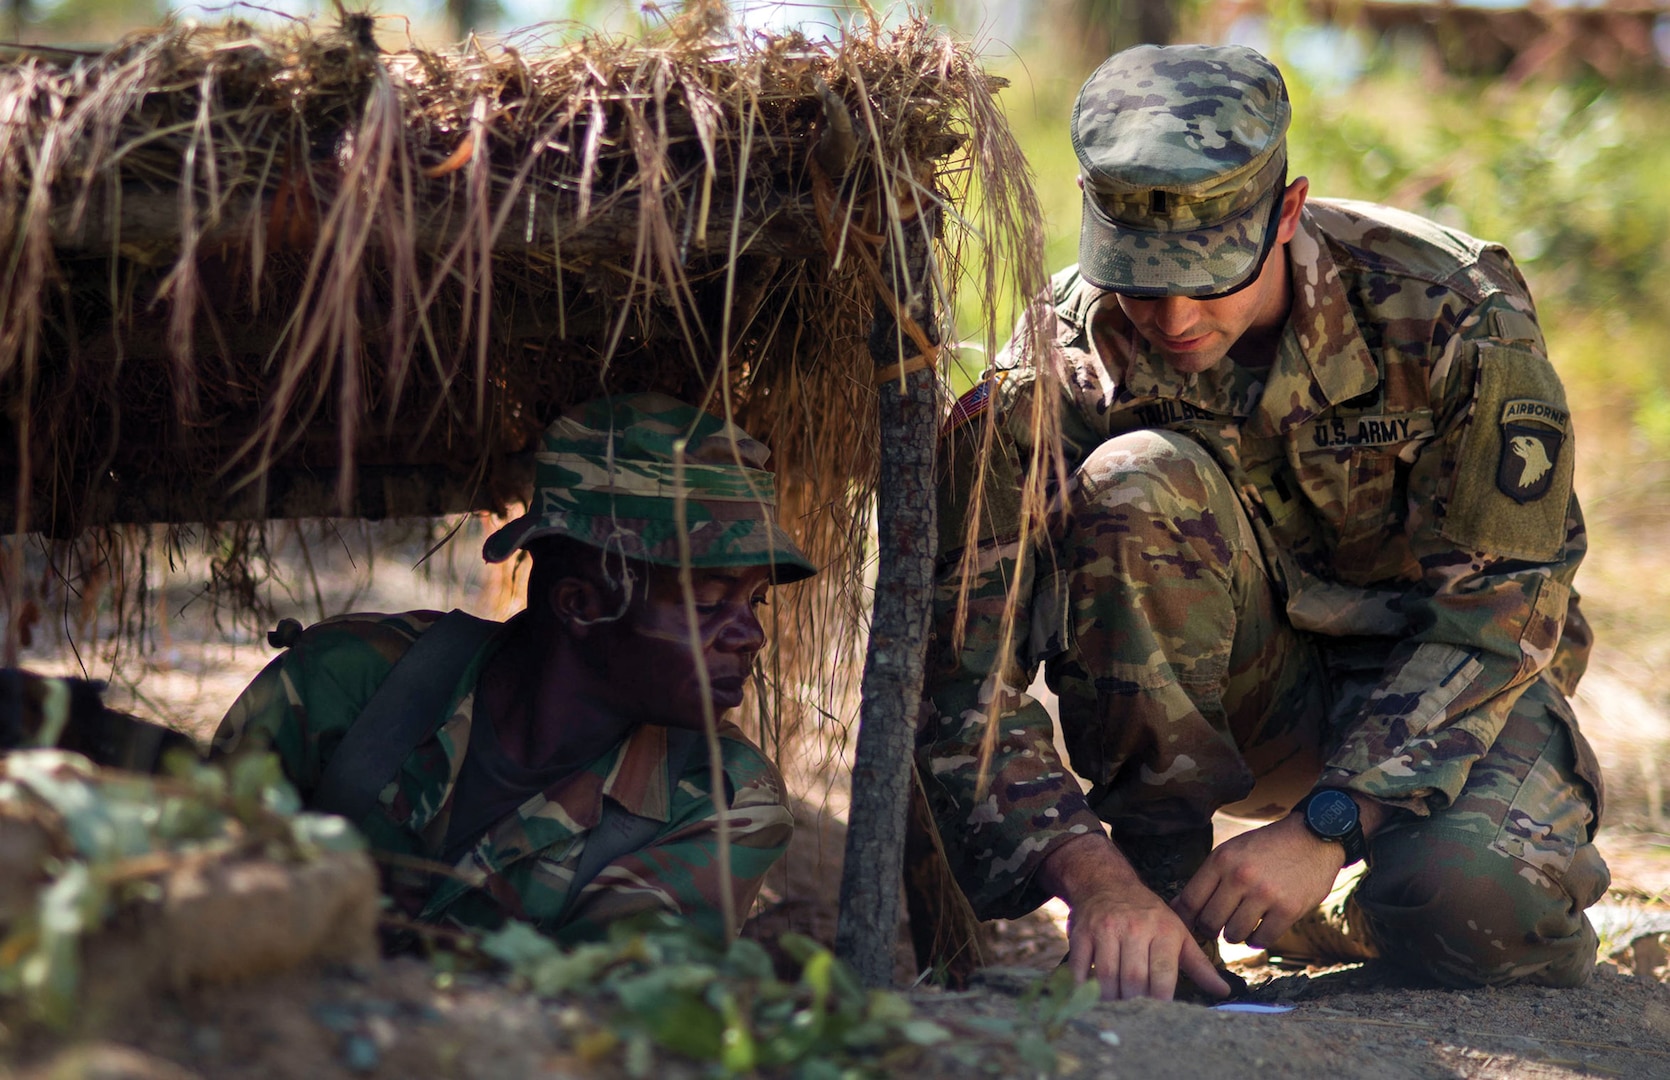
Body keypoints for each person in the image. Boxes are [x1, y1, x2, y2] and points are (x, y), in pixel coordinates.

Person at [919, 43, 1607, 1002]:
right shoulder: (1055, 364)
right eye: (1141, 278)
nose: (1171, 317)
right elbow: (957, 680)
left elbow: (1504, 613)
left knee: (1473, 910)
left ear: (1287, 213)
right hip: (1244, 703)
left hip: (1445, 693)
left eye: (1207, 277)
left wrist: (1327, 826)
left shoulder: (1450, 313)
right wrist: (1097, 880)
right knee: (1136, 479)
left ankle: (1353, 910)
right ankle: (1172, 894)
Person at [211, 392, 815, 944]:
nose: (751, 635)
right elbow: (188, 885)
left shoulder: (723, 797)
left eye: (755, 601)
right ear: (580, 604)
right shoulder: (347, 680)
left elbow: (597, 1023)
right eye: (709, 600)